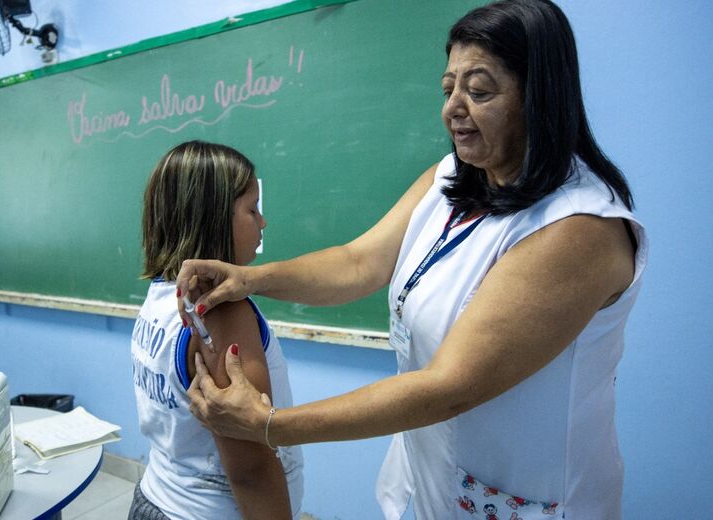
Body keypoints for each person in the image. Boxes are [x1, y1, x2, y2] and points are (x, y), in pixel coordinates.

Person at [177, 1, 647, 518]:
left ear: (540, 97)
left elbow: (449, 387)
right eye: (448, 89)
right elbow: (358, 263)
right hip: (437, 479)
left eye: (479, 91)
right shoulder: (452, 179)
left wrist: (270, 425)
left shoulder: (578, 229)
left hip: (529, 493)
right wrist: (250, 279)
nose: (453, 109)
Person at [128, 140, 303, 520]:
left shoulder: (161, 293)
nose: (262, 222)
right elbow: (251, 468)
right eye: (252, 210)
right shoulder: (222, 311)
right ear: (214, 218)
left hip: (154, 498)